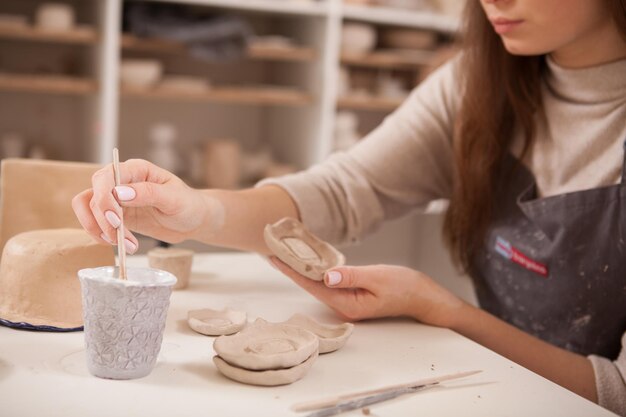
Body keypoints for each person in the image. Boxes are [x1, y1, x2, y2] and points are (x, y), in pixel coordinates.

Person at [73, 0, 626, 414]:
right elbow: (340, 192)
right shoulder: (476, 80)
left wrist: (445, 311)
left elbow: (616, 393)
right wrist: (197, 214)